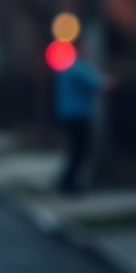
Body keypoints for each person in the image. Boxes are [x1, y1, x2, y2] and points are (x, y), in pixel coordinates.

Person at [55, 57, 103, 196]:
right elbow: (96, 83)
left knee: (75, 149)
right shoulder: (78, 68)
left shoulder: (65, 69)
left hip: (66, 115)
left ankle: (67, 182)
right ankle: (68, 182)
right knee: (81, 150)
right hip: (78, 115)